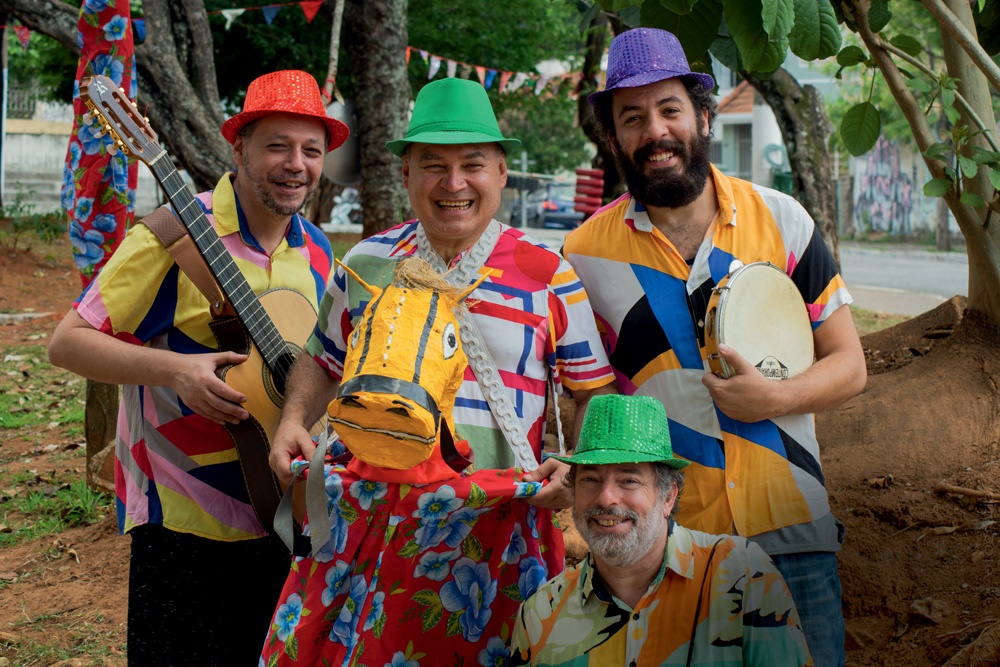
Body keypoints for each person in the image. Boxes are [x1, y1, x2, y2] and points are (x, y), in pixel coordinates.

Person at [562, 28, 867, 667]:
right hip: (669, 542)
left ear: (702, 116)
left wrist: (775, 397)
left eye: (670, 109)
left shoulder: (782, 219)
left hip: (793, 529)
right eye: (633, 118)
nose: (655, 131)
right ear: (613, 137)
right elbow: (584, 401)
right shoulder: (583, 256)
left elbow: (850, 364)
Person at [47, 70, 346, 666]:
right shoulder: (171, 235)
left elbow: (320, 366)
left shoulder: (316, 248)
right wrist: (173, 371)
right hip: (184, 527)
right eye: (277, 146)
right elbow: (67, 343)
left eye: (311, 150)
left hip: (287, 515)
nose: (296, 164)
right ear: (238, 148)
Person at [269, 77, 616, 507]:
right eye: (433, 165)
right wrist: (292, 420)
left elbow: (594, 393)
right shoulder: (365, 263)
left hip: (501, 523)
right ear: (406, 173)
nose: (454, 184)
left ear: (502, 172)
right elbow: (322, 361)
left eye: (473, 165)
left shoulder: (549, 274)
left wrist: (578, 467)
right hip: (373, 518)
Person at [510, 394, 811, 666]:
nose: (606, 497)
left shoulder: (743, 578)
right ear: (573, 492)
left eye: (629, 480)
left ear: (668, 497)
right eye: (590, 480)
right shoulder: (539, 615)